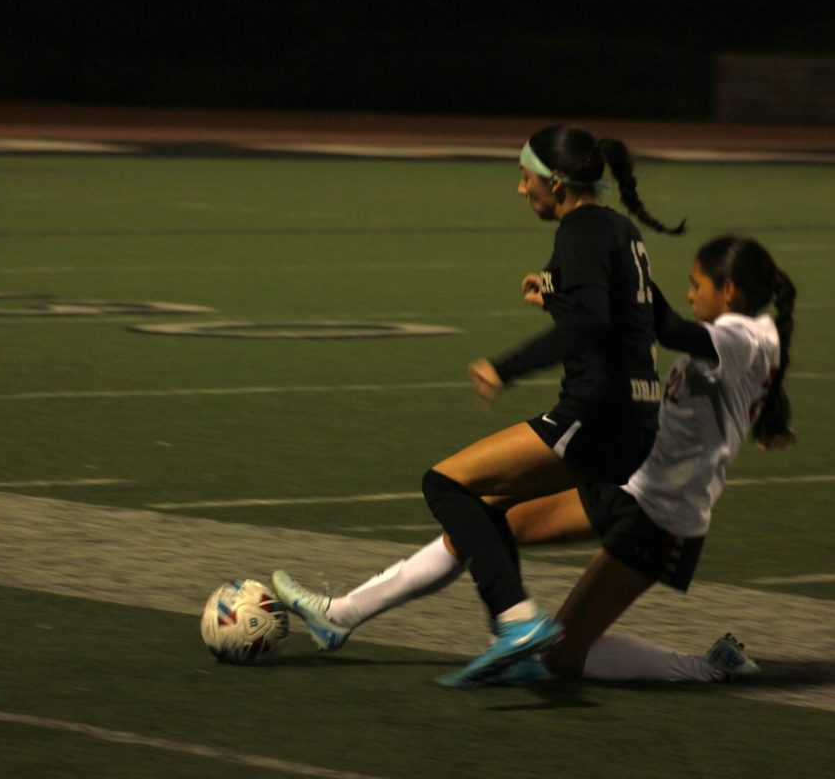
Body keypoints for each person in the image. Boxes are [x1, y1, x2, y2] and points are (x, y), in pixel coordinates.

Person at [273, 234, 796, 687]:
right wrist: (572, 296)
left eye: (696, 283)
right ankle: (340, 615)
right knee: (480, 522)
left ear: (729, 291)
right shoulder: (754, 337)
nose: (689, 292)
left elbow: (662, 324)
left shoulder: (740, 336)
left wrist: (609, 275)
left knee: (563, 658)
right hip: (627, 484)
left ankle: (709, 668)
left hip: (663, 519)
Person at [282, 123, 686, 686]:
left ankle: (516, 623)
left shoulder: (581, 230)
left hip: (598, 417)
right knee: (480, 519)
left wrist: (505, 366)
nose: (522, 190)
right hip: (634, 422)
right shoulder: (617, 229)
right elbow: (630, 317)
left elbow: (593, 322)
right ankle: (341, 616)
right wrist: (555, 292)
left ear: (559, 182)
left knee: (446, 485)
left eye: (526, 178)